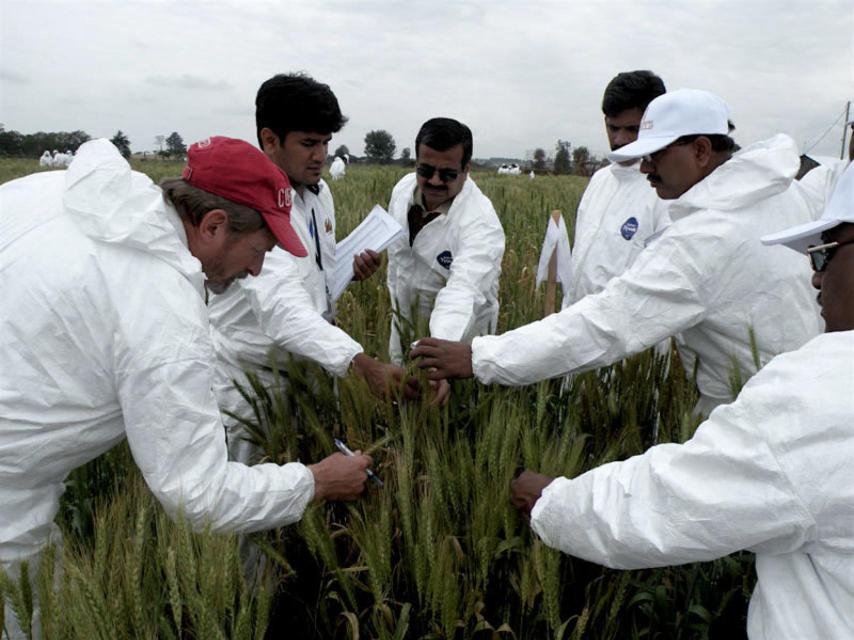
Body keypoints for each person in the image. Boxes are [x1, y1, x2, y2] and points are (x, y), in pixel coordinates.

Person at [0, 137, 373, 637]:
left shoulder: (59, 192)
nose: (258, 269)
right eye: (259, 249)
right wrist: (317, 481)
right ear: (213, 225)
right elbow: (196, 494)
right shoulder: (163, 310)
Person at [510, 162, 854, 640]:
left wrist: (552, 501)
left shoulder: (821, 392)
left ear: (699, 149)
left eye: (823, 255)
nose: (815, 278)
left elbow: (670, 506)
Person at [412, 90, 822, 414]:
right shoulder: (781, 190)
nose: (644, 168)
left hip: (750, 412)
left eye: (654, 154)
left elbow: (607, 322)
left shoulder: (707, 237)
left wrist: (479, 357)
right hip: (795, 392)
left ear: (700, 151)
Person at [207, 73, 411, 462]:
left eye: (325, 142)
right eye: (308, 143)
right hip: (254, 383)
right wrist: (361, 364)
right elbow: (281, 308)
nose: (321, 155)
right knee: (246, 497)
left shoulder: (319, 193)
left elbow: (311, 278)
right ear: (269, 140)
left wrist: (347, 272)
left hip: (313, 367)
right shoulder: (249, 211)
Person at [385, 117, 505, 376]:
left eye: (448, 174)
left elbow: (463, 292)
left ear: (467, 169)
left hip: (456, 340)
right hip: (403, 323)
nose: (435, 181)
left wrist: (437, 355)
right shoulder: (402, 192)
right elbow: (397, 262)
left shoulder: (481, 222)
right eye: (425, 171)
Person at [568, 70, 670, 305]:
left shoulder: (667, 192)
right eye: (613, 128)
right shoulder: (600, 180)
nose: (620, 140)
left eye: (632, 129)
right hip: (578, 327)